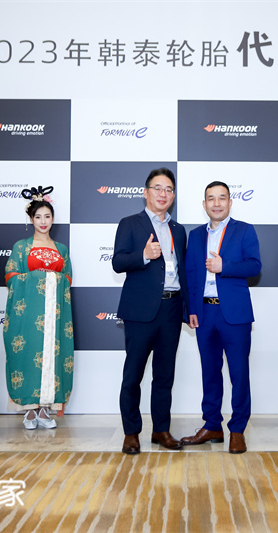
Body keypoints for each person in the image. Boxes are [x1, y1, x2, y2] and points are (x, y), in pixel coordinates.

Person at [112, 168, 190, 454]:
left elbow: (183, 272)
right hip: (140, 311)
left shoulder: (178, 229)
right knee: (133, 374)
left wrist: (188, 309)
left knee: (164, 375)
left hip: (172, 308)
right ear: (146, 192)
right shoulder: (130, 223)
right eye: (158, 188)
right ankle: (131, 432)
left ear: (173, 196)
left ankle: (161, 430)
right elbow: (118, 262)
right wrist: (143, 255)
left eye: (168, 189)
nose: (163, 194)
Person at [181, 181, 261, 454]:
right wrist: (191, 310)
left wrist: (224, 266)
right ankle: (212, 425)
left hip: (234, 315)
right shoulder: (195, 235)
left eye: (222, 198)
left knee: (239, 373)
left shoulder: (244, 230)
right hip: (204, 313)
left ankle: (237, 430)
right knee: (210, 372)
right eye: (211, 198)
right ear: (204, 204)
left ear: (230, 202)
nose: (216, 203)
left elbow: (255, 266)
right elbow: (190, 274)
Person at [3, 186, 74, 431]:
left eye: (47, 216)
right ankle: (30, 408)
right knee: (28, 354)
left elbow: (67, 279)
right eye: (38, 217)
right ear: (31, 219)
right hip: (28, 314)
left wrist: (52, 279)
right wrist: (40, 278)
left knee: (53, 355)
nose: (43, 221)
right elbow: (11, 276)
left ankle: (45, 408)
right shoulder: (21, 247)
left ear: (53, 219)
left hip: (55, 315)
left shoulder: (61, 249)